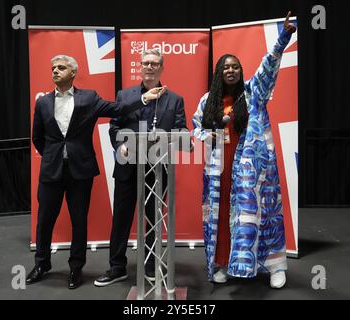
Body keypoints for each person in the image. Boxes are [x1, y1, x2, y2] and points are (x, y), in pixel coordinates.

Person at [27, 55, 165, 289]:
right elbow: (37, 138)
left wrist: (143, 98)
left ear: (73, 73)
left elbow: (117, 108)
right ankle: (42, 263)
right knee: (44, 220)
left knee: (79, 221)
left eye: (61, 68)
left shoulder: (88, 98)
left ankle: (75, 268)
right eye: (53, 68)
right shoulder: (42, 103)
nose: (55, 71)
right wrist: (54, 156)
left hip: (80, 172)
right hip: (51, 171)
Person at [192, 12, 297, 288]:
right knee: (223, 217)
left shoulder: (253, 93)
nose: (231, 70)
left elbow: (268, 68)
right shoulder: (207, 102)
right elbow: (196, 130)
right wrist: (213, 131)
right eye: (226, 67)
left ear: (240, 71)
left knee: (262, 214)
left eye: (235, 67)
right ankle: (224, 264)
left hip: (253, 170)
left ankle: (273, 266)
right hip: (219, 169)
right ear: (218, 72)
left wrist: (282, 38)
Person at [94, 49, 187, 286]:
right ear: (140, 66)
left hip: (159, 170)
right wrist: (121, 145)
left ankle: (150, 264)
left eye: (155, 63)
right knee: (122, 219)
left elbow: (180, 128)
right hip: (128, 167)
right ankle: (117, 267)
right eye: (146, 63)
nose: (150, 67)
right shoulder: (125, 96)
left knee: (153, 220)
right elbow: (114, 127)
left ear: (161, 68)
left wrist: (185, 137)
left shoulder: (175, 99)